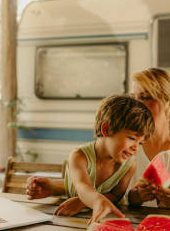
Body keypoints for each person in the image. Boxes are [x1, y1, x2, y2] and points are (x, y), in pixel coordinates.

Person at [27, 95, 154, 223]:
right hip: (72, 221)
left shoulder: (130, 164)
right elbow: (83, 188)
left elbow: (116, 195)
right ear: (106, 129)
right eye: (132, 138)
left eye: (140, 143)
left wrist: (82, 202)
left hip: (108, 219)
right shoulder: (79, 156)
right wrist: (90, 200)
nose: (136, 148)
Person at [124, 68, 170, 207]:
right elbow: (118, 196)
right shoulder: (127, 143)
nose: (136, 105)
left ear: (168, 101)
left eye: (145, 97)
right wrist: (136, 196)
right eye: (134, 98)